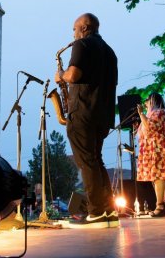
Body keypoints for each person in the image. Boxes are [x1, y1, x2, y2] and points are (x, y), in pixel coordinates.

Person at [55, 13, 118, 228]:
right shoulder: (110, 52)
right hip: (103, 114)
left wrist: (60, 75)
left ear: (84, 28)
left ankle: (96, 212)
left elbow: (73, 75)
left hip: (83, 112)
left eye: (74, 29)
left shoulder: (82, 44)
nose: (72, 33)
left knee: (88, 161)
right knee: (96, 159)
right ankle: (109, 210)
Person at [135, 92, 165, 217]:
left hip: (158, 148)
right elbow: (143, 132)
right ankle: (162, 205)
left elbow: (151, 127)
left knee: (158, 177)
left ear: (153, 100)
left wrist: (141, 114)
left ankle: (160, 206)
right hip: (152, 149)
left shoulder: (160, 112)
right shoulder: (151, 114)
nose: (145, 102)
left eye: (147, 99)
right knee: (155, 178)